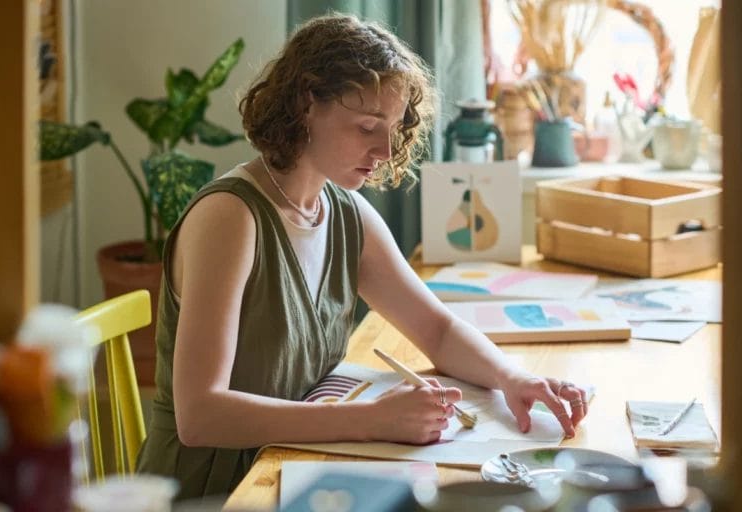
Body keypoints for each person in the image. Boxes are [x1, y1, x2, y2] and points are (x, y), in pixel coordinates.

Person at [136, 13, 588, 500]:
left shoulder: (346, 212)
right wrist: (370, 420)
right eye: (368, 126)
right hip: (211, 489)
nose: (385, 149)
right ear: (306, 104)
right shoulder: (230, 218)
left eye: (393, 128)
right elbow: (200, 417)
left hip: (291, 462)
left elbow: (436, 329)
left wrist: (513, 378)